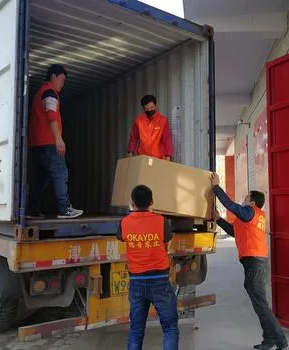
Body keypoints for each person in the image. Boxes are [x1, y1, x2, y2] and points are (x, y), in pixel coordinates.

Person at [210, 173, 289, 350]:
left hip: (255, 264)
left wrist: (216, 187)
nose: (244, 199)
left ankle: (283, 344)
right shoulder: (250, 217)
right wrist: (218, 220)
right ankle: (270, 341)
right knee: (259, 304)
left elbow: (230, 205)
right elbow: (234, 232)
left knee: (261, 305)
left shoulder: (250, 212)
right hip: (253, 263)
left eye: (246, 197)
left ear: (252, 202)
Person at [117, 185, 179, 350]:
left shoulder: (124, 222)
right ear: (152, 202)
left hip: (136, 281)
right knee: (170, 327)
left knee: (136, 330)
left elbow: (121, 237)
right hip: (160, 280)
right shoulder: (161, 221)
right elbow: (166, 239)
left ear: (132, 202)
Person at [26, 64, 83, 219]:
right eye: (62, 80)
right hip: (49, 143)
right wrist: (59, 139)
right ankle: (64, 209)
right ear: (54, 76)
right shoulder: (49, 92)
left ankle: (32, 210)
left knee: (41, 179)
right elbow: (51, 116)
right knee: (60, 174)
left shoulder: (40, 93)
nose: (62, 84)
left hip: (37, 145)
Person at [128, 95, 173, 160]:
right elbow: (133, 137)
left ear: (155, 106)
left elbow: (166, 138)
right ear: (143, 108)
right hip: (143, 157)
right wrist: (130, 152)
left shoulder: (163, 120)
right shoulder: (138, 121)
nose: (149, 110)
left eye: (151, 108)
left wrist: (168, 155)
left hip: (158, 158)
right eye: (147, 109)